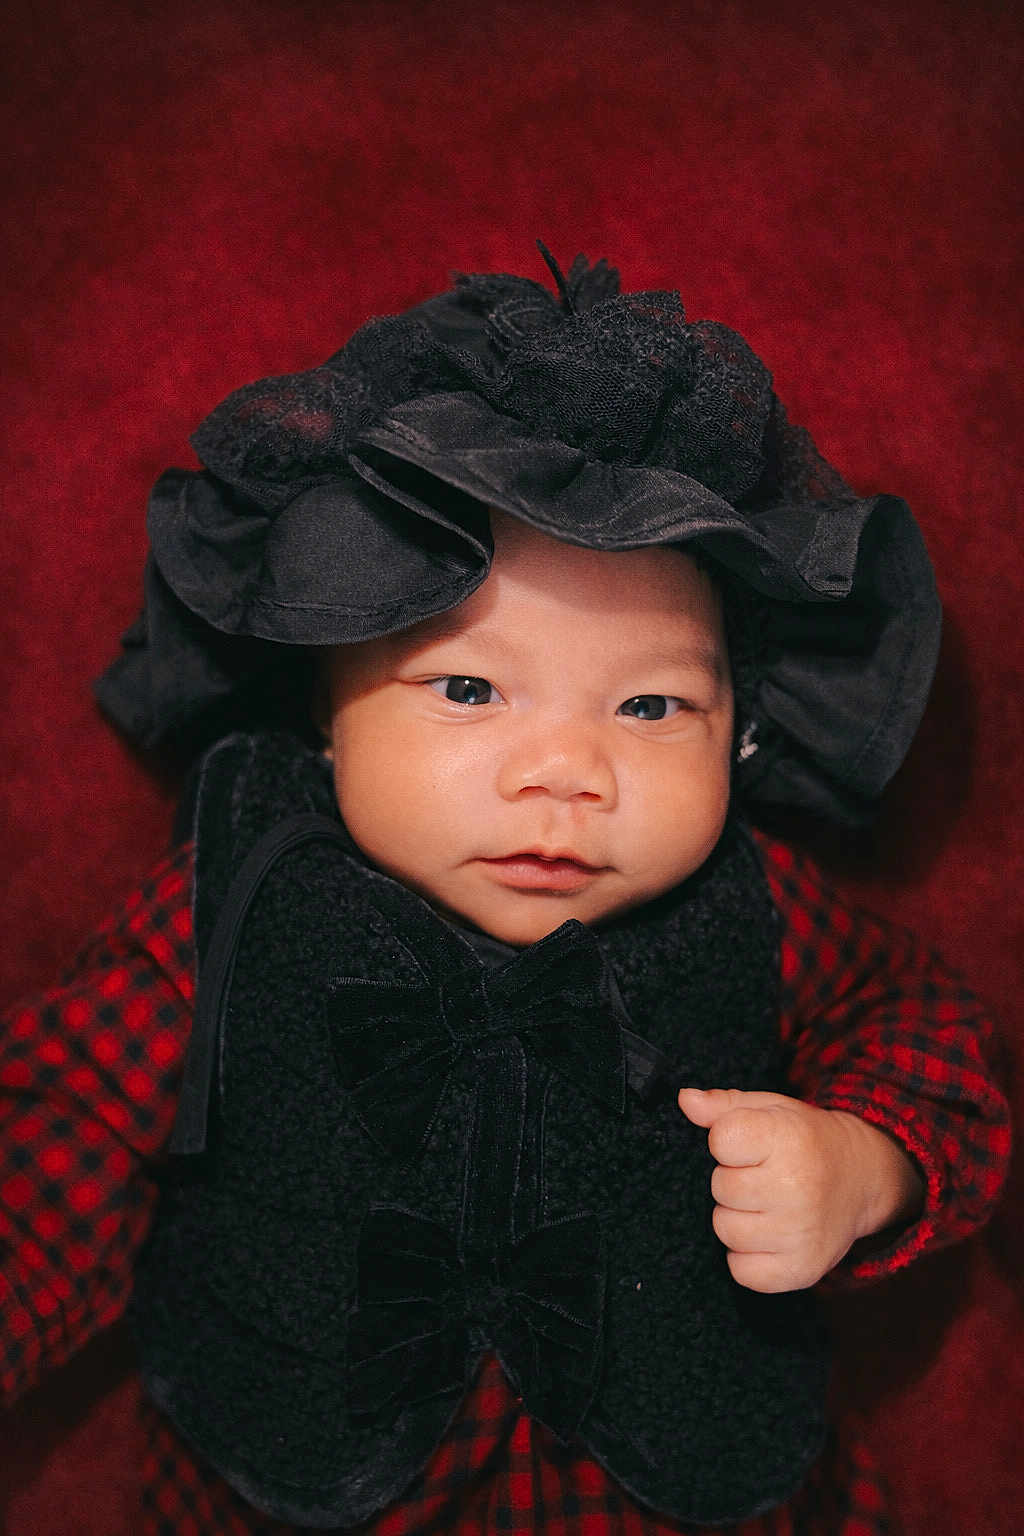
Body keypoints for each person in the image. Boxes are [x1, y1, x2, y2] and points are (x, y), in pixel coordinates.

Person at [0, 250, 1010, 1535]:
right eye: (470, 690)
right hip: (292, 1478)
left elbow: (930, 1031)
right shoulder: (241, 887)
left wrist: (866, 1164)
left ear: (741, 730)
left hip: (683, 1480)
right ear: (324, 712)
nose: (567, 772)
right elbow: (62, 1128)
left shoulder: (759, 909)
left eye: (652, 706)